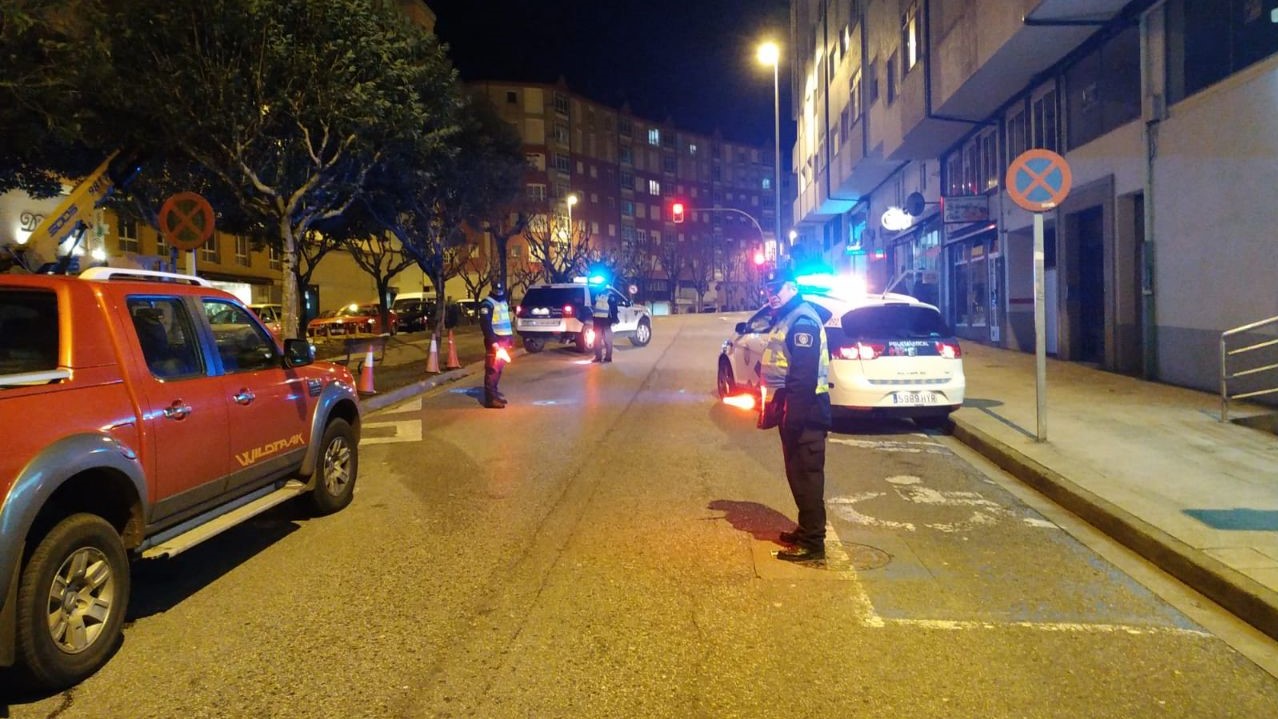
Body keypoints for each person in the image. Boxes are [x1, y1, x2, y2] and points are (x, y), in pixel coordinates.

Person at [757, 266, 832, 562]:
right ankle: (805, 529)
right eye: (767, 289)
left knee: (807, 476)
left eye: (776, 288)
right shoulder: (787, 316)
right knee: (797, 474)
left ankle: (814, 544)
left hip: (805, 413)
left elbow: (804, 377)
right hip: (793, 410)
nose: (771, 294)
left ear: (791, 287)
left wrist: (793, 419)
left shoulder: (802, 320)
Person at [477, 282, 513, 409]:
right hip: (495, 341)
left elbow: (505, 322)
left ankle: (495, 395)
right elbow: (485, 325)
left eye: (500, 289)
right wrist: (493, 342)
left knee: (498, 369)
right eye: (496, 289)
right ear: (492, 289)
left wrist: (510, 339)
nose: (499, 292)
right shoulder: (487, 303)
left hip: (504, 340)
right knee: (492, 369)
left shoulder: (502, 301)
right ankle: (490, 399)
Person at [590, 286, 618, 363]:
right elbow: (593, 307)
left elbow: (614, 308)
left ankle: (608, 357)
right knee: (597, 340)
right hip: (597, 320)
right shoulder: (596, 294)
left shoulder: (610, 295)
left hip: (606, 320)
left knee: (607, 340)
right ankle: (598, 357)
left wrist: (614, 319)